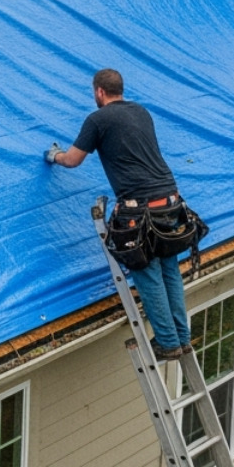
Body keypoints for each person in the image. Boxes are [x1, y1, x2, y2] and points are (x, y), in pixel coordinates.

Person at [46, 68, 192, 361]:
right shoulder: (142, 112)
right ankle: (182, 338)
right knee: (169, 269)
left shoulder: (98, 119)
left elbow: (73, 160)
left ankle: (168, 342)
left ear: (99, 91)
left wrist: (55, 156)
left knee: (147, 273)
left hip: (143, 211)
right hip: (171, 202)